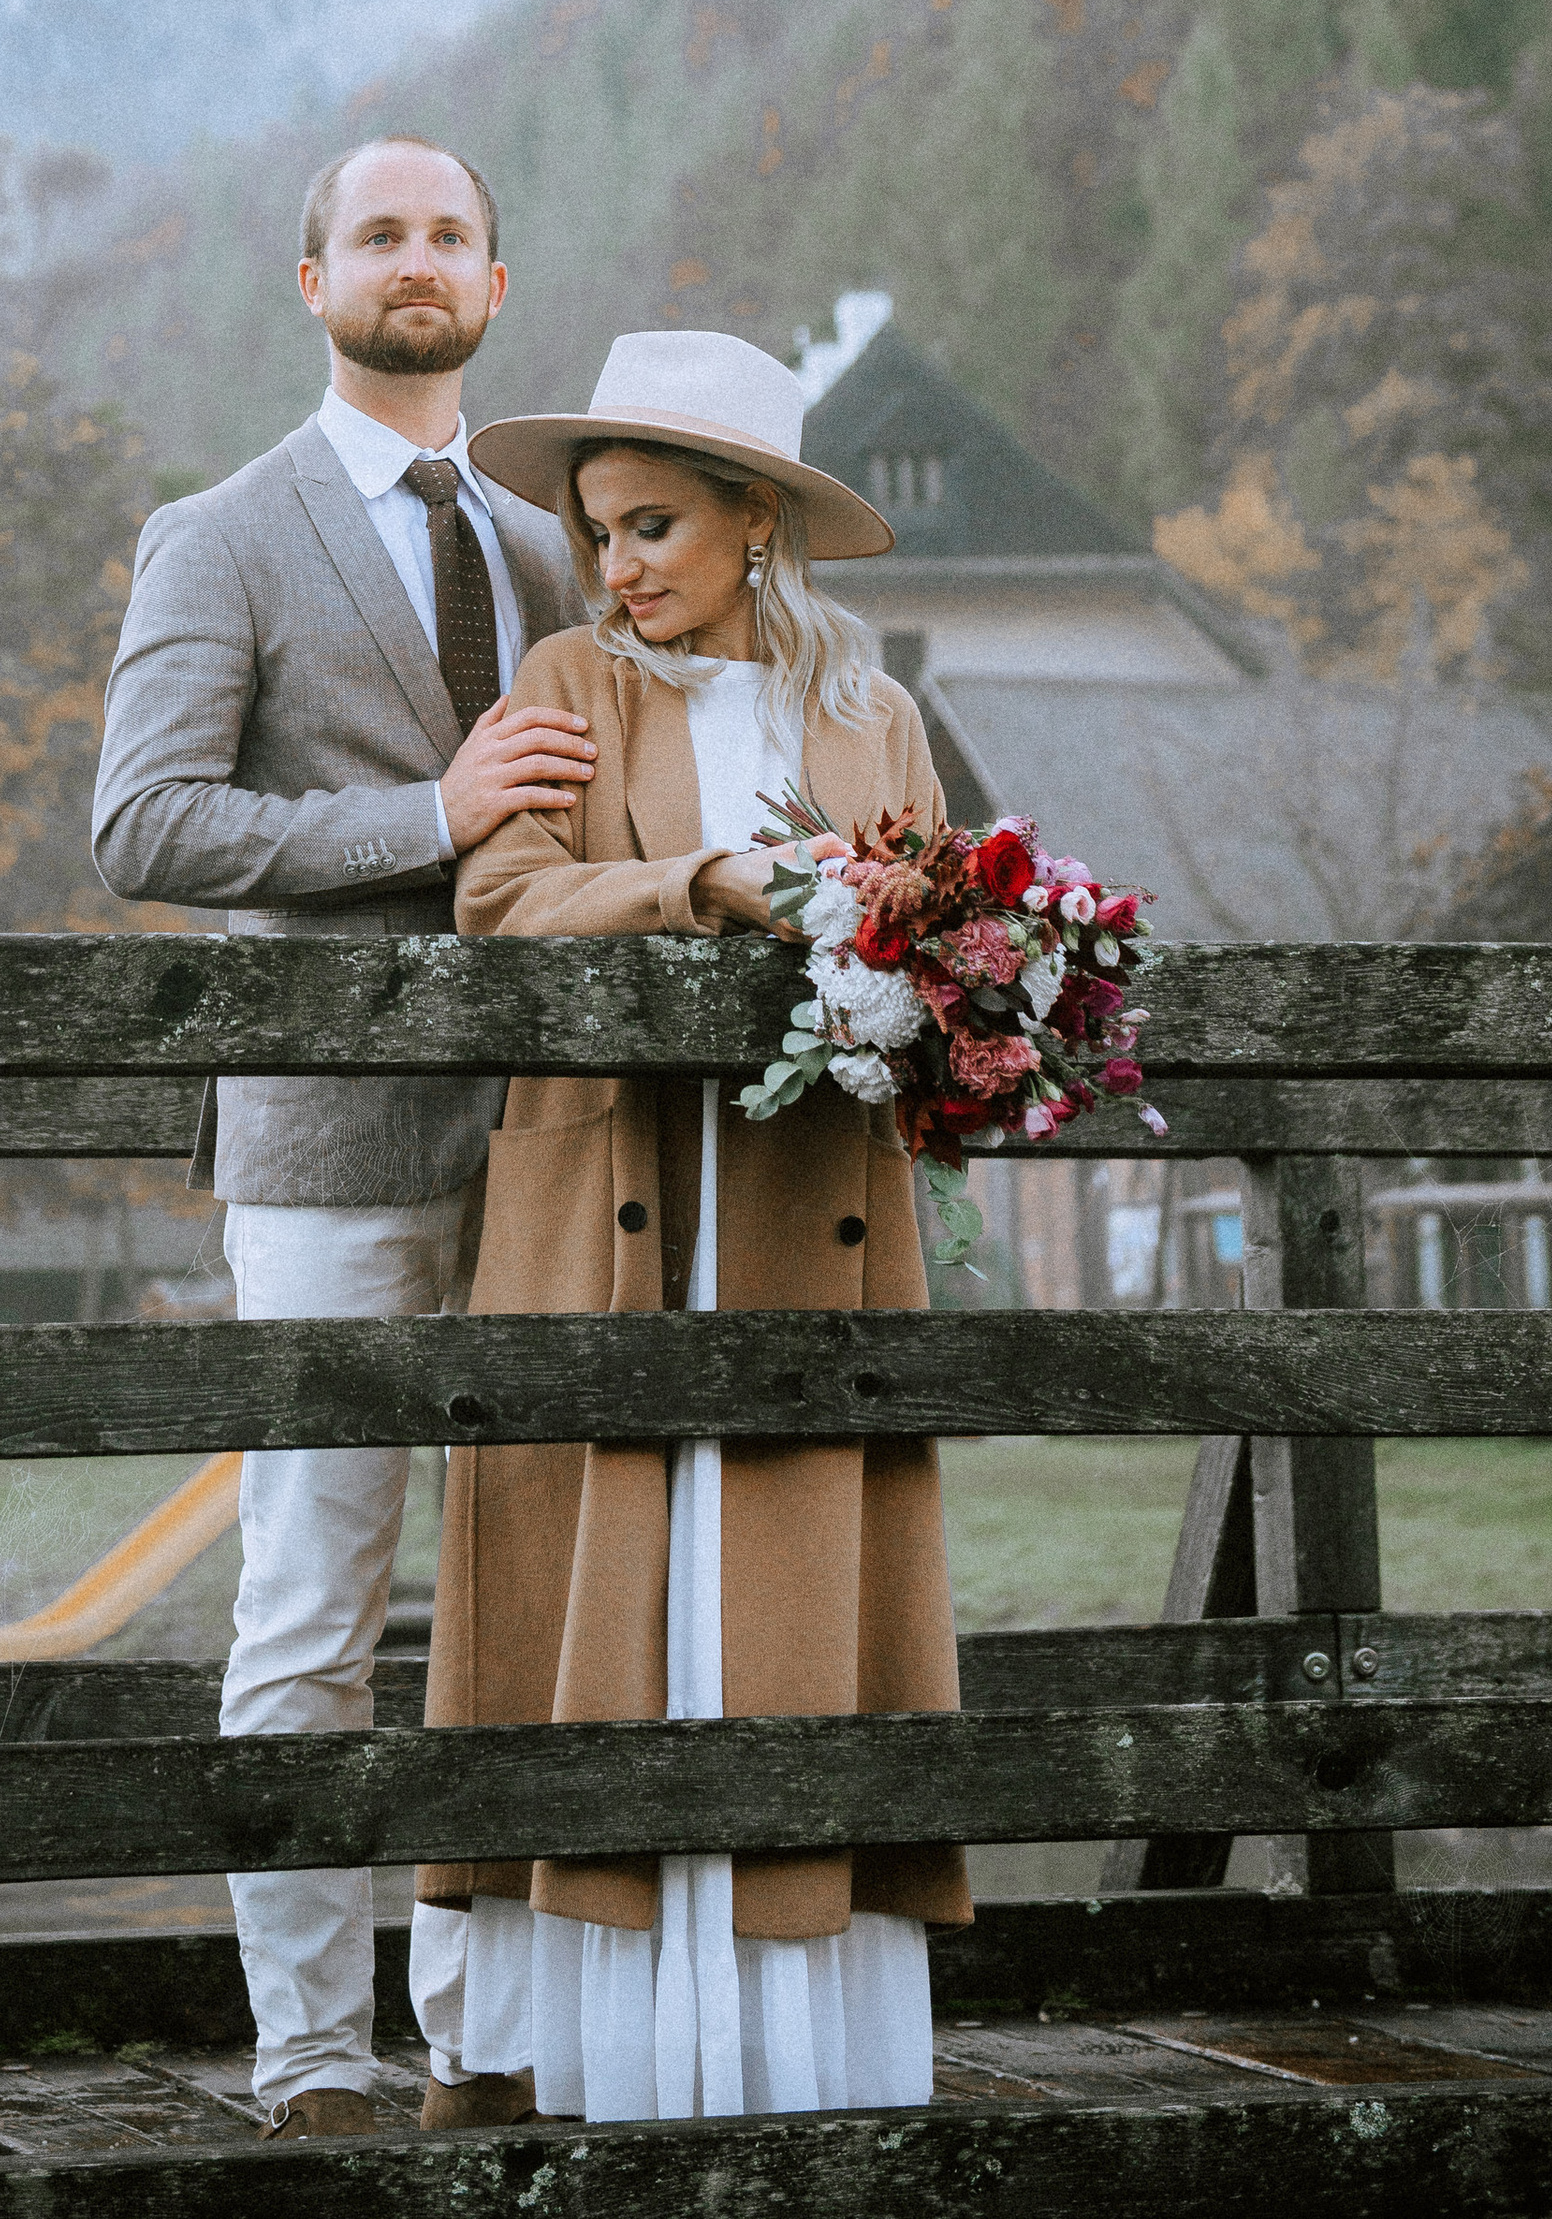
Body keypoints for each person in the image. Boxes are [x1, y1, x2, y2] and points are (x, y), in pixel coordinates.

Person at [408, 327, 972, 2131]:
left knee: (792, 1585)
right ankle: (588, 2044)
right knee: (614, 1583)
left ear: (755, 518)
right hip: (614, 1206)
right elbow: (501, 897)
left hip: (812, 1210)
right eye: (598, 531)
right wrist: (701, 884)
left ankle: (802, 2053)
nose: (621, 564)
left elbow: (937, 920)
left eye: (655, 523)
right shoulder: (573, 678)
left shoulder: (872, 715)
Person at [90, 134, 592, 2141]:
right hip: (320, 1150)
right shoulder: (216, 534)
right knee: (310, 1598)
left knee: (523, 1591)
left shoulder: (564, 553)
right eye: (376, 233)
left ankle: (482, 2036)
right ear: (312, 280)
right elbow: (144, 829)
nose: (416, 260)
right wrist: (429, 820)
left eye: (448, 234)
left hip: (558, 1144)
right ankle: (309, 2059)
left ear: (493, 280)